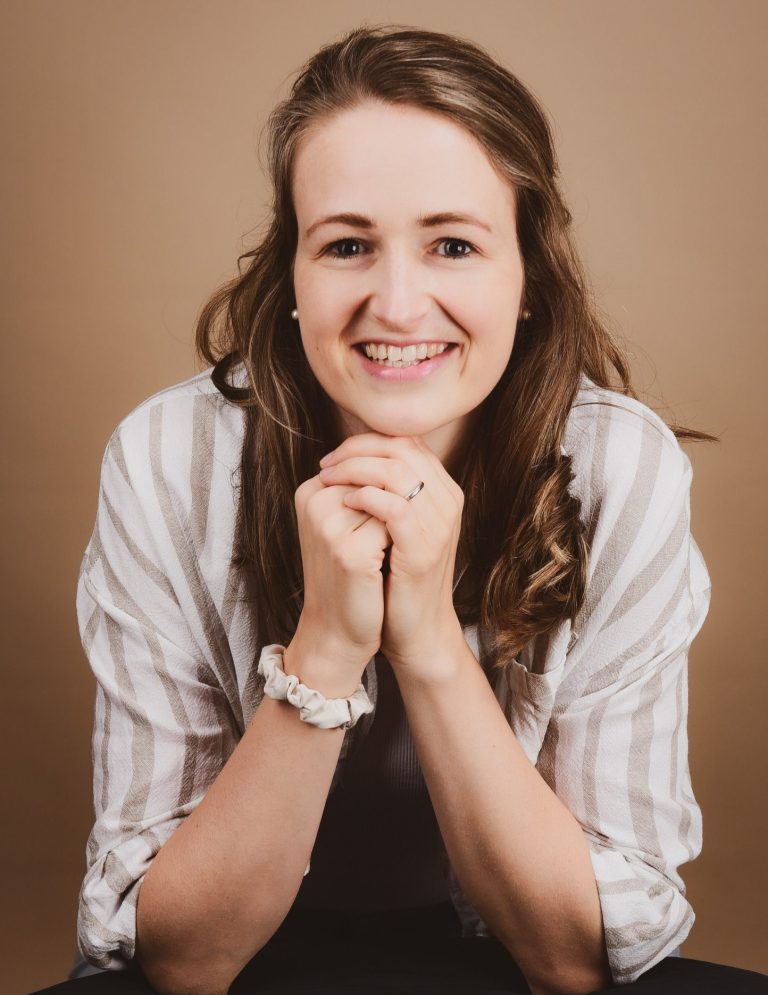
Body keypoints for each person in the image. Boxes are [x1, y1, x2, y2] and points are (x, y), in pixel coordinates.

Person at [34, 23, 768, 995]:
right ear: (293, 280)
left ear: (528, 280)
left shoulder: (620, 469)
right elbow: (183, 958)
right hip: (246, 956)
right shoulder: (168, 460)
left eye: (453, 244)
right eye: (347, 245)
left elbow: (575, 957)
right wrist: (327, 646)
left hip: (500, 958)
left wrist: (427, 643)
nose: (398, 302)